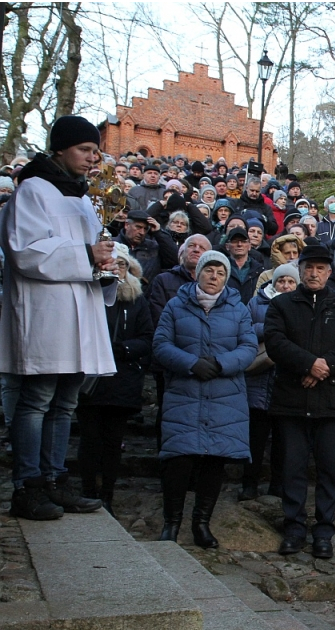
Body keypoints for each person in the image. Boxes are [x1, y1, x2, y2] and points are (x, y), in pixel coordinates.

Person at [0, 115, 115, 520]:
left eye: (96, 152)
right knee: (37, 400)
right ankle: (27, 485)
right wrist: (85, 255)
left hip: (79, 309)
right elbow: (24, 250)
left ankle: (54, 478)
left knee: (66, 403)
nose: (91, 158)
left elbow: (90, 249)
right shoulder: (33, 189)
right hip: (45, 312)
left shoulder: (81, 197)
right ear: (61, 149)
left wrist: (105, 262)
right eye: (85, 150)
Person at [265, 244, 335, 559]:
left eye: (321, 268)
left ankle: (324, 530)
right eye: (309, 267)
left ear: (329, 271)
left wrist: (324, 367)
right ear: (300, 269)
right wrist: (308, 363)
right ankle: (294, 528)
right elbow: (275, 342)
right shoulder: (281, 304)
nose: (314, 272)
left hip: (331, 400)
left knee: (328, 470)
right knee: (292, 468)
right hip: (291, 399)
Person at [153, 250, 258, 547]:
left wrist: (222, 364)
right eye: (209, 270)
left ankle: (201, 524)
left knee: (215, 462)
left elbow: (249, 348)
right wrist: (190, 363)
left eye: (221, 272)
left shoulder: (238, 309)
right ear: (197, 272)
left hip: (224, 396)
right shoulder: (176, 306)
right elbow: (160, 344)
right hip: (184, 394)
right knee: (178, 461)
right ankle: (171, 524)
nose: (215, 277)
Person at [74, 244, 154, 515]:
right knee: (89, 439)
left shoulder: (136, 299)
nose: (117, 269)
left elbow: (147, 338)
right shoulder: (91, 292)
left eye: (122, 264)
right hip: (91, 378)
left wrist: (122, 349)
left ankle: (107, 492)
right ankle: (88, 490)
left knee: (112, 441)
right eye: (114, 264)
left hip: (122, 379)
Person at [239, 263, 299, 502]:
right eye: (281, 280)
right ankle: (249, 484)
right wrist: (273, 329)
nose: (285, 285)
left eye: (290, 281)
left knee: (283, 443)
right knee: (255, 440)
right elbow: (244, 329)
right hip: (258, 382)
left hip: (287, 384)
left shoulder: (302, 305)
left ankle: (278, 484)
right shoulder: (256, 303)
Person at [224, 226, 262, 303]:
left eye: (243, 241)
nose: (239, 244)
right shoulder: (220, 269)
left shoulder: (260, 270)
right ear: (227, 246)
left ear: (249, 246)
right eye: (235, 241)